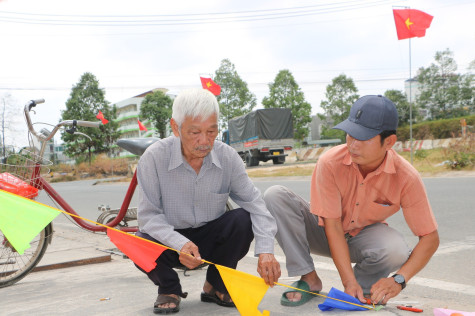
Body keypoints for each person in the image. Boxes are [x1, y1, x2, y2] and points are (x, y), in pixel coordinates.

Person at [263, 95, 439, 306]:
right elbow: (333, 226)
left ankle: (363, 289)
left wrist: (399, 280)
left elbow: (430, 237)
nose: (353, 144)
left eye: (363, 138)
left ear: (389, 142)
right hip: (324, 231)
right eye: (350, 134)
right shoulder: (330, 162)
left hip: (361, 239)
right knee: (275, 195)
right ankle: (309, 278)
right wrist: (347, 280)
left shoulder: (406, 177)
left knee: (395, 248)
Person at [135, 88, 281, 314]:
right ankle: (169, 288)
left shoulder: (227, 157)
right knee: (139, 242)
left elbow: (256, 204)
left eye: (211, 131)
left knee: (242, 219)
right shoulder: (154, 158)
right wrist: (179, 243)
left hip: (209, 241)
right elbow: (148, 216)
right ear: (176, 127)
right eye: (194, 132)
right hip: (169, 241)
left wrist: (266, 250)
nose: (204, 141)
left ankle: (216, 285)